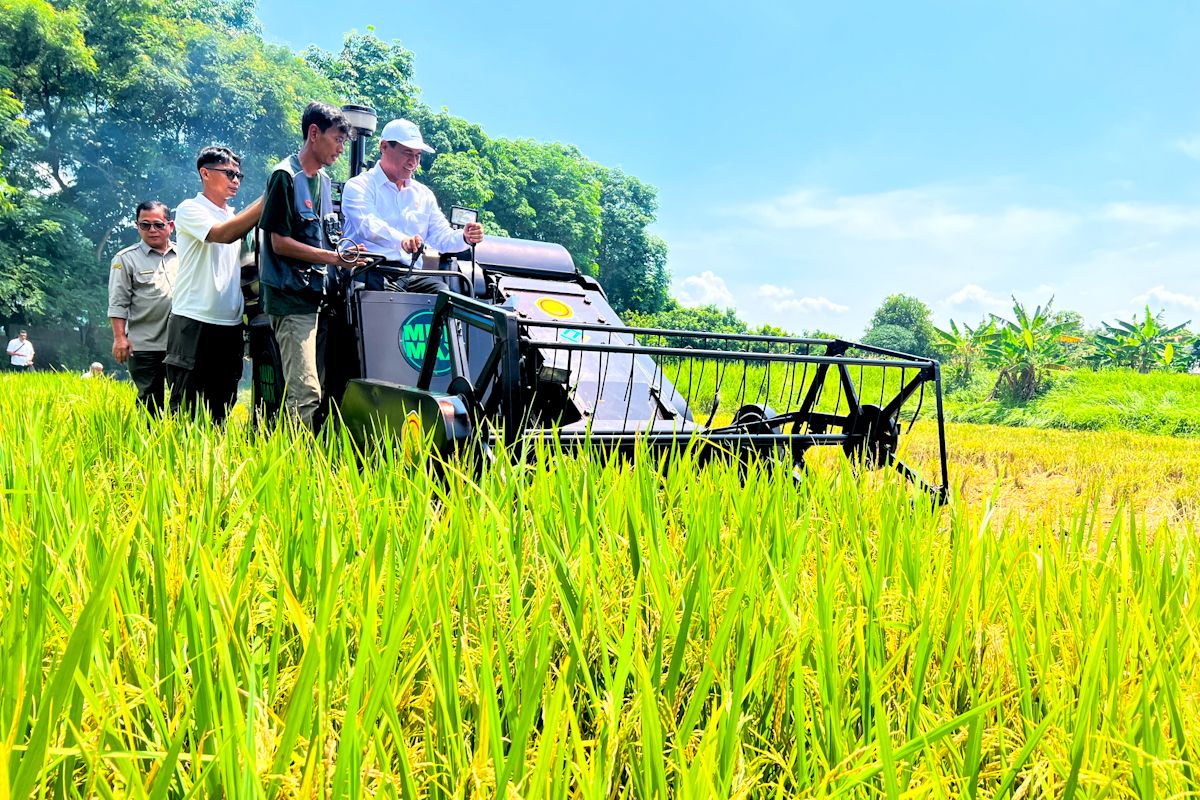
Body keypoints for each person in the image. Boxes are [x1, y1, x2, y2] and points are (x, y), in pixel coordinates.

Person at [258, 102, 367, 428]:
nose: (340, 148)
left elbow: (322, 238)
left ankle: (302, 458)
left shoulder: (322, 181)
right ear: (314, 133)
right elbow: (279, 243)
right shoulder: (284, 176)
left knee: (319, 389)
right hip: (290, 298)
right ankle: (293, 470)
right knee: (304, 392)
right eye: (337, 139)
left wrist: (345, 253)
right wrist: (334, 258)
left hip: (318, 298)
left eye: (345, 142)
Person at [166, 146, 263, 424]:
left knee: (221, 405)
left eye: (239, 175)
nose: (235, 180)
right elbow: (222, 235)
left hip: (230, 324)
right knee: (185, 408)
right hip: (193, 321)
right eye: (229, 173)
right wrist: (267, 197)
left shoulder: (234, 215)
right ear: (205, 173)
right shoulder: (190, 209)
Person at [341, 118, 484, 288]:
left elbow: (441, 236)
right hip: (367, 268)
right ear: (384, 147)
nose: (413, 163)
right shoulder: (359, 185)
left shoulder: (424, 194)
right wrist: (402, 241)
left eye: (417, 156)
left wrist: (465, 237)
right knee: (376, 293)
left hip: (408, 274)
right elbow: (368, 226)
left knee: (442, 293)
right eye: (407, 153)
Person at [108, 200, 178, 412]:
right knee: (149, 404)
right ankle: (149, 444)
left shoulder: (187, 254)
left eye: (158, 224)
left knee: (185, 401)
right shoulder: (125, 258)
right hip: (145, 346)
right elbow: (118, 302)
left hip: (181, 344)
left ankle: (182, 444)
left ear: (170, 226)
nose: (152, 230)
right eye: (145, 225)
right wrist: (120, 338)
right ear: (137, 226)